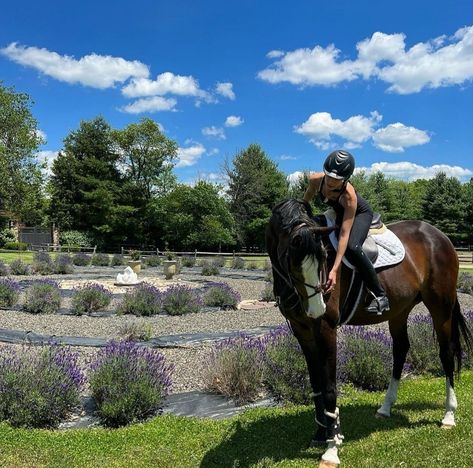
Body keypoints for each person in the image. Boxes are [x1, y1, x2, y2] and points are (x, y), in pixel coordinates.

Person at [303, 149, 390, 315]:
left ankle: (380, 295)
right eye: (329, 176)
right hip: (337, 211)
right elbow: (305, 201)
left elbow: (344, 234)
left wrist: (334, 270)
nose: (331, 182)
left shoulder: (349, 196)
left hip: (359, 214)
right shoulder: (315, 179)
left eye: (337, 180)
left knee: (352, 246)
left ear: (346, 179)